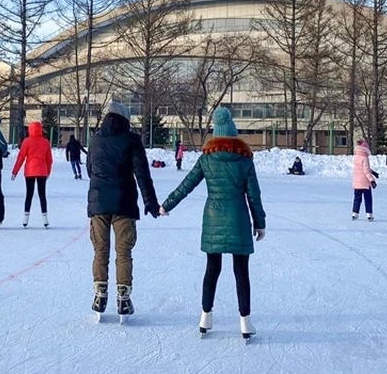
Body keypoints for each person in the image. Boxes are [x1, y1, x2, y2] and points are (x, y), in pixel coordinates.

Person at [159, 107, 265, 339]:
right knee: (241, 271)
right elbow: (254, 195)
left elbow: (186, 185)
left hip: (213, 219)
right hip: (238, 218)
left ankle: (205, 316)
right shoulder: (245, 160)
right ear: (234, 133)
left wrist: (166, 205)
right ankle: (245, 321)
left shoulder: (206, 159)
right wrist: (260, 223)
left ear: (216, 134)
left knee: (212, 268)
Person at [87, 101, 160, 321]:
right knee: (123, 252)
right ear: (126, 119)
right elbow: (142, 174)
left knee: (101, 250)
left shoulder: (96, 139)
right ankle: (123, 299)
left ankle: (100, 295)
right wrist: (150, 202)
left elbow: (90, 169)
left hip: (98, 203)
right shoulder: (131, 140)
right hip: (124, 203)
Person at [11, 121, 53, 227]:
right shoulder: (45, 142)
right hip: (42, 171)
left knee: (29, 194)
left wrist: (14, 172)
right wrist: (48, 172)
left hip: (30, 171)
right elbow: (49, 159)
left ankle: (25, 219)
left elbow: (21, 158)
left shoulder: (27, 142)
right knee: (42, 195)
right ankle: (45, 219)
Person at [352, 138, 376, 221]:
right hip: (365, 183)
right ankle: (369, 214)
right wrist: (372, 180)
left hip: (357, 182)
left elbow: (362, 168)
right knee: (368, 199)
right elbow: (366, 171)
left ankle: (355, 213)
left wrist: (373, 172)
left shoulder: (356, 158)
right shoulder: (365, 158)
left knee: (357, 198)